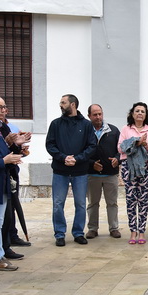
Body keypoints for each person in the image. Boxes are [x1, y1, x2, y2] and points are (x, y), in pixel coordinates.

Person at [45, 94, 97, 247]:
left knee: (80, 203)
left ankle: (78, 233)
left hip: (80, 171)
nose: (60, 105)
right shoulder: (56, 124)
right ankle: (59, 234)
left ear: (73, 104)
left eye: (63, 102)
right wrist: (63, 157)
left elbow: (92, 146)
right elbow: (50, 145)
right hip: (60, 171)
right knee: (58, 203)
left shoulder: (87, 125)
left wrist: (78, 158)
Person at [0, 94, 31, 259]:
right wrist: (8, 144)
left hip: (8, 175)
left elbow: (7, 151)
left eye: (4, 107)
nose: (4, 110)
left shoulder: (2, 128)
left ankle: (4, 248)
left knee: (4, 216)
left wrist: (17, 146)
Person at [117, 102, 148, 244]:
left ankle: (142, 232)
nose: (140, 113)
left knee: (143, 199)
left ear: (146, 115)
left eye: (142, 111)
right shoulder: (125, 129)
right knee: (131, 199)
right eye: (137, 111)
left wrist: (144, 144)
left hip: (145, 167)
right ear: (132, 114)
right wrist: (135, 142)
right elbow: (121, 147)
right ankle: (133, 231)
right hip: (128, 166)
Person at [85, 104, 121, 239]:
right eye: (95, 114)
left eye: (100, 114)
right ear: (89, 116)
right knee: (93, 203)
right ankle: (92, 229)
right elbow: (80, 152)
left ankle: (114, 228)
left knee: (112, 203)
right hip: (92, 175)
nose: (98, 117)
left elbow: (121, 150)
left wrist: (117, 159)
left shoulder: (113, 130)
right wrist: (91, 164)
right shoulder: (85, 131)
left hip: (110, 174)